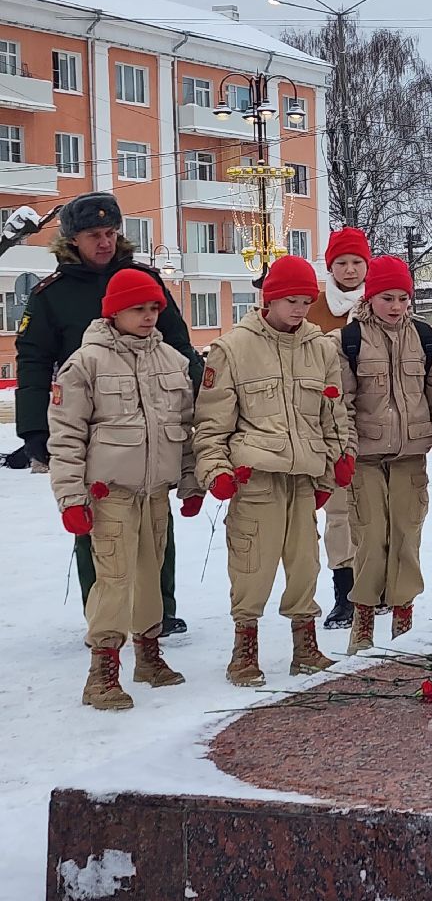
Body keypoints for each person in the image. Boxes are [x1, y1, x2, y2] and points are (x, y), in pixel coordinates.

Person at [15, 193, 199, 637]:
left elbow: (179, 345)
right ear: (72, 240)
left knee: (155, 525)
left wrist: (192, 404)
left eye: (111, 233)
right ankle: (105, 618)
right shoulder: (51, 296)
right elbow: (34, 362)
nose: (104, 242)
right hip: (94, 426)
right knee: (94, 523)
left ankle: (159, 613)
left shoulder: (143, 281)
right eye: (94, 235)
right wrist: (35, 430)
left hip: (153, 418)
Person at [193, 256, 354, 686]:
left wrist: (334, 468)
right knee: (251, 565)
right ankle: (244, 649)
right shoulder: (233, 349)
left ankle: (305, 645)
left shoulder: (321, 348)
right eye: (290, 301)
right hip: (255, 477)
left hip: (303, 477)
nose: (300, 309)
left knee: (305, 564)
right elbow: (211, 424)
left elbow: (333, 416)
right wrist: (215, 472)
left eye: (306, 300)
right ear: (269, 300)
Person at [46, 270, 204, 709]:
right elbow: (66, 437)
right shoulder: (86, 363)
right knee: (113, 581)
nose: (149, 316)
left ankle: (149, 655)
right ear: (113, 312)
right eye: (139, 309)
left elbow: (187, 429)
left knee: (152, 576)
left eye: (154, 308)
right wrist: (71, 498)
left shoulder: (172, 362)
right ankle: (102, 670)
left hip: (153, 492)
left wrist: (191, 483)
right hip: (108, 491)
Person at [335, 256, 432, 653]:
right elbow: (342, 404)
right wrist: (344, 451)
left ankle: (404, 621)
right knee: (369, 538)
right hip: (364, 457)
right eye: (387, 298)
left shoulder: (428, 338)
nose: (396, 306)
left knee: (406, 537)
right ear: (371, 297)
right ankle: (363, 621)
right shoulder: (348, 341)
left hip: (410, 456)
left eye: (403, 297)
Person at [311, 226, 372, 630]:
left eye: (356, 262)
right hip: (328, 422)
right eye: (341, 263)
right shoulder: (314, 307)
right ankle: (344, 592)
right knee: (338, 512)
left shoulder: (383, 301)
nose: (349, 270)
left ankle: (376, 587)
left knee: (374, 512)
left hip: (374, 422)